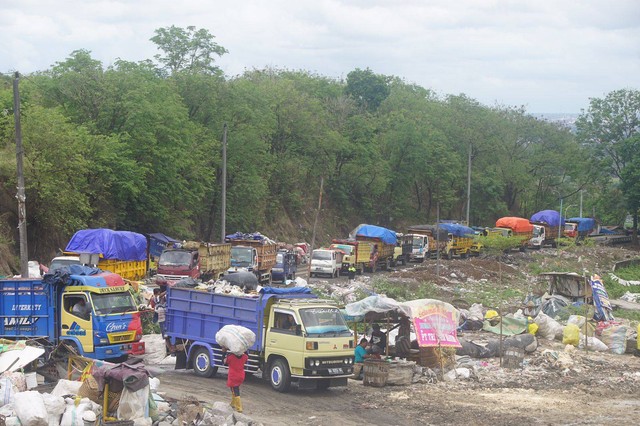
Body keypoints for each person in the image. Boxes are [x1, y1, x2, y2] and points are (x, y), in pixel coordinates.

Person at [222, 347, 248, 413]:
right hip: (241, 376)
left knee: (235, 390)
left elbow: (224, 362)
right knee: (233, 389)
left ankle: (239, 408)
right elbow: (247, 355)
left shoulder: (231, 357)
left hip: (233, 376)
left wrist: (224, 352)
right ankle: (233, 404)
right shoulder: (244, 357)